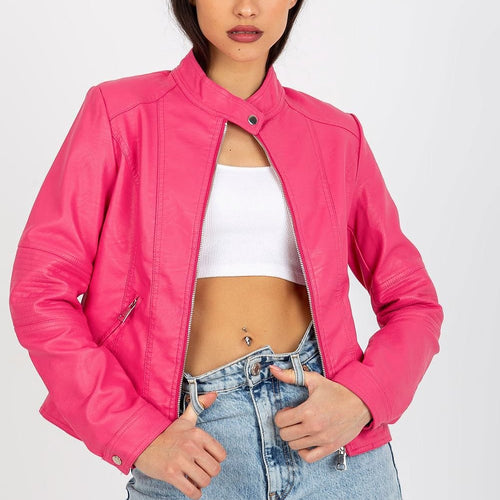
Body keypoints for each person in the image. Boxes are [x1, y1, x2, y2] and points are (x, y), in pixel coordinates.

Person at [9, 1, 444, 499]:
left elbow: (414, 300)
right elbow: (40, 292)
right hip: (192, 446)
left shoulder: (335, 135)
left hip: (329, 439)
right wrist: (133, 432)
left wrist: (365, 398)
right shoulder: (121, 114)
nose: (246, 8)